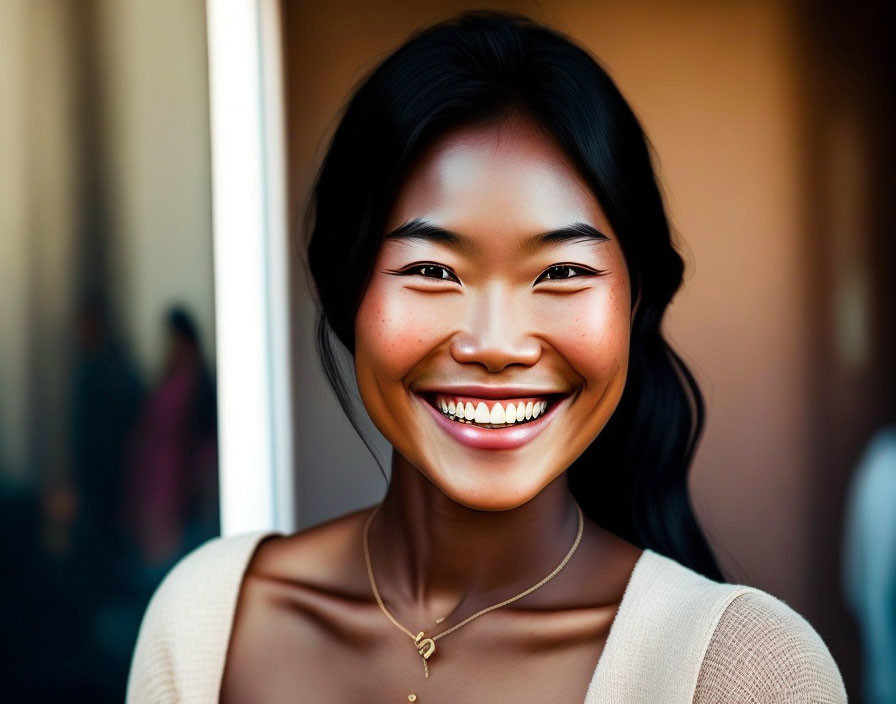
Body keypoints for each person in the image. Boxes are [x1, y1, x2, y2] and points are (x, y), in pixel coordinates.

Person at [126, 11, 847, 703]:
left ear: (632, 303)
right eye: (433, 272)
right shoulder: (207, 626)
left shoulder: (750, 673)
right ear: (342, 291)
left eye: (562, 273)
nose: (496, 345)